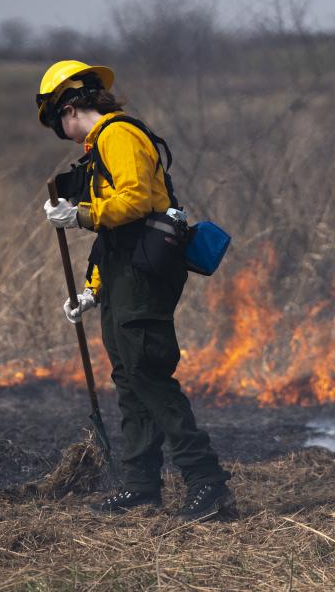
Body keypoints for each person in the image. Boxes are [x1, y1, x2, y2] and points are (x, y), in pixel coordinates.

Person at [37, 60, 232, 521]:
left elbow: (136, 202)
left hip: (146, 276)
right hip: (125, 275)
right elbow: (116, 239)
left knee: (148, 373)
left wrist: (79, 215)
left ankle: (208, 483)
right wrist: (92, 290)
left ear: (68, 107)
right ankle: (141, 486)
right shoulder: (100, 145)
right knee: (128, 377)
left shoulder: (117, 135)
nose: (61, 131)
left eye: (56, 121)